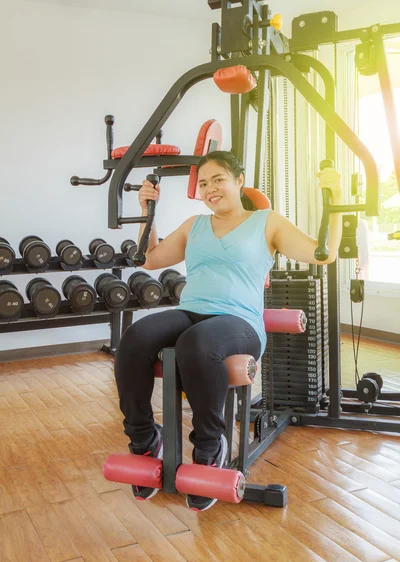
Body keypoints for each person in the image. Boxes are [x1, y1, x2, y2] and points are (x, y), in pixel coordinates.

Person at [114, 150, 343, 511]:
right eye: (203, 183)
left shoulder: (267, 222)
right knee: (135, 338)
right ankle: (143, 439)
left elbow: (323, 254)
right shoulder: (195, 225)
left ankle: (209, 447)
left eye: (218, 179)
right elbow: (150, 258)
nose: (210, 188)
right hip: (191, 310)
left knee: (196, 344)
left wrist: (336, 198)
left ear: (238, 181)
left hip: (239, 321)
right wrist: (148, 213)